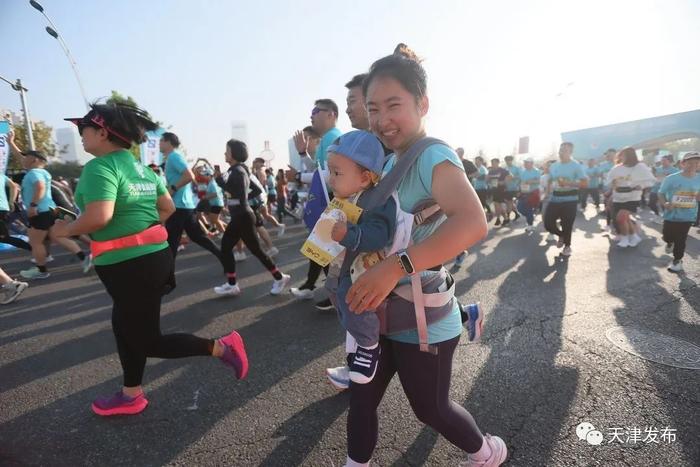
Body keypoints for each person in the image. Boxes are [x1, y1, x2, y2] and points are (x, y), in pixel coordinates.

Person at [343, 44, 506, 467]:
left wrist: (392, 267)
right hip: (374, 312)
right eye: (373, 108)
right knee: (361, 401)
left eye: (393, 105)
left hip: (421, 316)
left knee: (430, 409)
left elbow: (472, 222)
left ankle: (486, 453)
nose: (381, 119)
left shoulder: (431, 154)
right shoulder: (384, 160)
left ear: (423, 104)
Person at [56, 103, 248, 416]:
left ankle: (223, 347)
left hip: (130, 267)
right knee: (125, 327)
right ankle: (131, 393)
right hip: (151, 260)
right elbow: (167, 208)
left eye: (84, 129)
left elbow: (98, 217)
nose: (81, 136)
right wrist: (135, 230)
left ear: (102, 132)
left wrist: (64, 229)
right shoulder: (143, 170)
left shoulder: (99, 168)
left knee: (147, 340)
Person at [326, 131, 396, 384]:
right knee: (334, 291)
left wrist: (349, 233)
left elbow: (380, 234)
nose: (330, 179)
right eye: (330, 171)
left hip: (362, 267)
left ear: (365, 177)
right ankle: (353, 327)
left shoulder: (377, 201)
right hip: (342, 263)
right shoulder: (344, 198)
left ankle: (368, 345)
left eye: (337, 173)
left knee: (352, 298)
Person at [213, 139, 291, 296]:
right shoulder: (241, 169)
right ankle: (279, 277)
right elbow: (255, 190)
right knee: (255, 250)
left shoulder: (237, 171)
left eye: (227, 151)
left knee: (227, 247)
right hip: (243, 215)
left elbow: (239, 191)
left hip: (241, 216)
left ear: (234, 154)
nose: (224, 154)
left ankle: (232, 284)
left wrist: (221, 182)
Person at [290, 101, 343, 303]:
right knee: (320, 246)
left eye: (315, 111)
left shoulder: (333, 137)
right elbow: (318, 170)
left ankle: (334, 295)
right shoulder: (326, 139)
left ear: (330, 114)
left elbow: (328, 175)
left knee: (326, 248)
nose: (311, 116)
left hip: (332, 200)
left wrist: (297, 178)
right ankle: (314, 287)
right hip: (328, 201)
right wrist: (303, 153)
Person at [18, 150, 92, 280]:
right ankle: (84, 258)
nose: (23, 160)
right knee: (58, 236)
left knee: (36, 243)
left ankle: (41, 271)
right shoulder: (43, 172)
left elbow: (40, 187)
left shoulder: (34, 173)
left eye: (26, 157)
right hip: (50, 210)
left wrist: (33, 205)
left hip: (40, 212)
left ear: (34, 160)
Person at [160, 132, 221, 261]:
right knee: (198, 237)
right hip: (185, 206)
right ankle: (224, 258)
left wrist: (173, 188)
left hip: (178, 207)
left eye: (161, 141)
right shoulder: (175, 156)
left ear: (168, 142)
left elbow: (189, 176)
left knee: (171, 244)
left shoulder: (173, 157)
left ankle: (167, 279)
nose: (159, 144)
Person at [658, 152, 700, 272]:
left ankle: (677, 260)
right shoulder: (671, 178)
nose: (693, 165)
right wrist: (665, 204)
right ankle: (669, 242)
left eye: (696, 163)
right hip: (671, 214)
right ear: (682, 164)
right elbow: (661, 193)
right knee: (667, 235)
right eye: (690, 162)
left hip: (688, 215)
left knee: (681, 238)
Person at [606, 147, 656, 248]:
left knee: (621, 218)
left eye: (623, 155)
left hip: (632, 197)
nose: (621, 157)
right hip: (618, 197)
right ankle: (634, 236)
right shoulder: (617, 168)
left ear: (630, 156)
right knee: (625, 219)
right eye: (620, 155)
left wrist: (640, 186)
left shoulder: (640, 167)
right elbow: (608, 180)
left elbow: (651, 180)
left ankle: (624, 239)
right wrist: (612, 183)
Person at [544, 142, 587, 256]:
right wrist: (547, 192)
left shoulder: (576, 166)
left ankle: (567, 246)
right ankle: (561, 235)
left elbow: (584, 183)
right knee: (548, 223)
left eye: (565, 150)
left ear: (571, 152)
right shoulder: (554, 166)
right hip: (555, 198)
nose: (561, 152)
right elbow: (550, 179)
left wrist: (568, 183)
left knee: (567, 224)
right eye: (560, 150)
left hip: (570, 199)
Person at [0, 172, 31, 251]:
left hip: (6, 209)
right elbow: (14, 186)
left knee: (4, 238)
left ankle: (34, 248)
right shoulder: (2, 176)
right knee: (4, 237)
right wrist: (11, 201)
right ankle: (34, 247)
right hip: (4, 209)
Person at [649, 155, 679, 224]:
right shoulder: (657, 169)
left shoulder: (675, 170)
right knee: (651, 203)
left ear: (669, 161)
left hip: (667, 190)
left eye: (664, 160)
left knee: (664, 205)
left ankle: (666, 218)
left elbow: (677, 180)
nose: (663, 162)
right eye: (662, 160)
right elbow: (653, 177)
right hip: (655, 188)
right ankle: (657, 215)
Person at [516, 158, 541, 232]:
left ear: (532, 163)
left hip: (532, 192)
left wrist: (531, 181)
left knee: (528, 208)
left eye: (527, 163)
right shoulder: (523, 171)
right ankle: (530, 217)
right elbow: (520, 181)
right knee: (519, 208)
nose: (525, 164)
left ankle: (530, 225)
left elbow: (540, 181)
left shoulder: (536, 171)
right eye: (525, 162)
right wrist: (519, 190)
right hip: (523, 192)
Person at [487, 158, 510, 226]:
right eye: (492, 163)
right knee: (497, 206)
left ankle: (499, 219)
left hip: (501, 190)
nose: (493, 164)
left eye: (494, 163)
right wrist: (487, 179)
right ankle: (505, 219)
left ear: (498, 163)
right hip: (494, 190)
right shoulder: (491, 171)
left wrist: (503, 182)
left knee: (498, 205)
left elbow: (510, 176)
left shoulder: (502, 170)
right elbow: (488, 180)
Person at [503, 155, 521, 222]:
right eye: (506, 160)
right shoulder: (505, 169)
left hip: (514, 187)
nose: (508, 162)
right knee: (509, 202)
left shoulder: (516, 168)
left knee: (509, 202)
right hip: (507, 188)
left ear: (511, 161)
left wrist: (513, 177)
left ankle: (507, 217)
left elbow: (520, 177)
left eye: (509, 160)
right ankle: (516, 213)